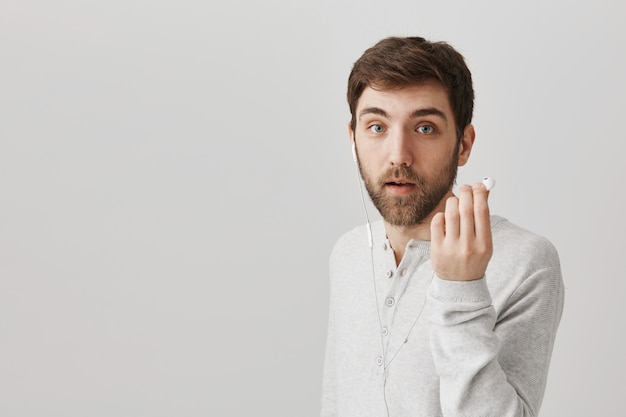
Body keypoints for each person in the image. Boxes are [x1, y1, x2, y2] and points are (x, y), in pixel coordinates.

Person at [320, 36, 564, 417]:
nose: (398, 154)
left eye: (425, 128)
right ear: (353, 140)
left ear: (463, 144)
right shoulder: (348, 253)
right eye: (377, 127)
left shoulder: (524, 261)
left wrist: (461, 288)